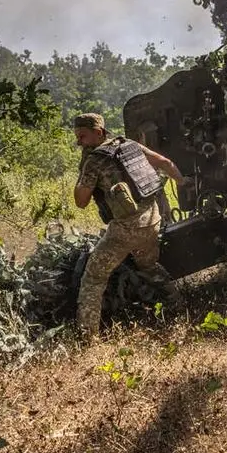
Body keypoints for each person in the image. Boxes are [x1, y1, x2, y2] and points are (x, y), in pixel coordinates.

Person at [73, 112, 184, 332]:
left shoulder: (94, 160)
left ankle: (87, 337)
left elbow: (80, 201)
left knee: (93, 279)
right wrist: (183, 181)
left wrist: (83, 169)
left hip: (125, 231)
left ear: (98, 132)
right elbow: (165, 163)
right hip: (152, 221)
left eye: (82, 136)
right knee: (149, 267)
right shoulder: (129, 145)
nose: (79, 142)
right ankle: (179, 305)